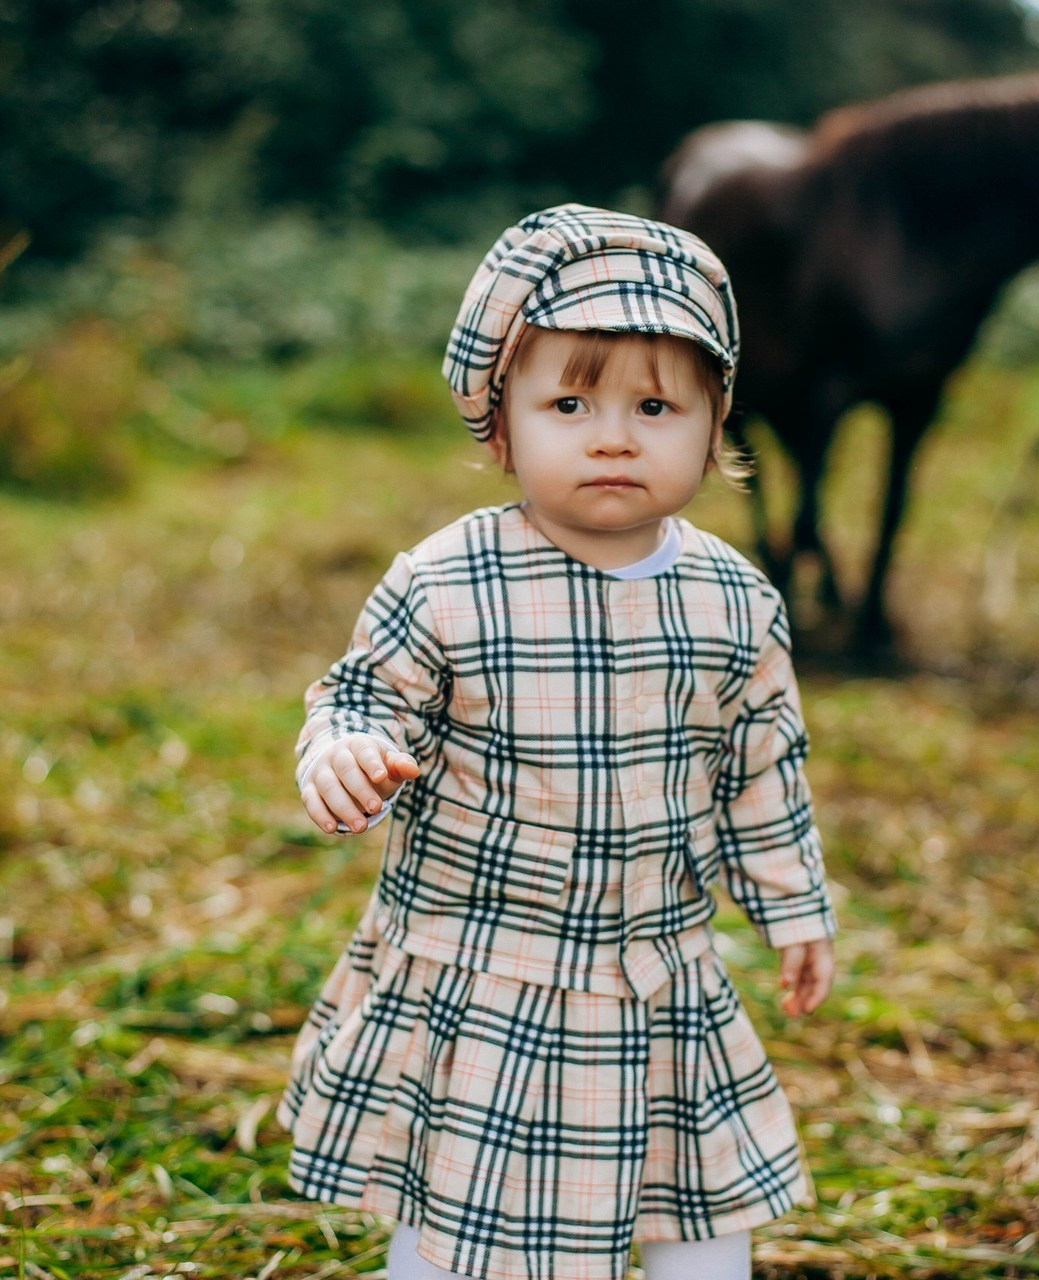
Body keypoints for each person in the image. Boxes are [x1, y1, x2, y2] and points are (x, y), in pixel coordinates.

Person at [276, 204, 837, 1280]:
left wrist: (792, 903)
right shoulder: (448, 579)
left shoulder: (735, 599)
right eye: (569, 400)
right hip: (489, 973)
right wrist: (342, 753)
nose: (613, 433)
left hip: (660, 972)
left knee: (699, 1210)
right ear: (501, 424)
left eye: (656, 403)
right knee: (463, 1212)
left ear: (715, 425)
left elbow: (762, 766)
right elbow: (359, 699)